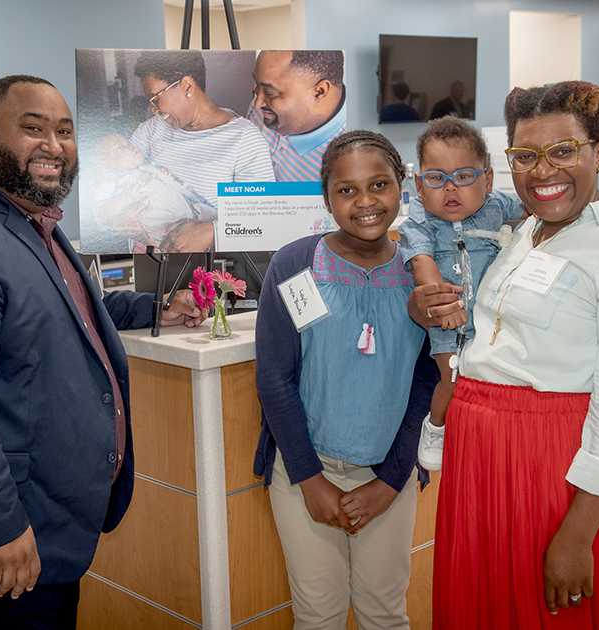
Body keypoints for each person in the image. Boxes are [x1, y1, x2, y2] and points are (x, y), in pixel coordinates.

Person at [0, 75, 206, 629]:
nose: (53, 145)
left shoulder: (28, 218)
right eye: (32, 129)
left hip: (46, 526)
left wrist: (153, 308)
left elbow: (58, 305)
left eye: (64, 131)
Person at [411, 81, 599, 628]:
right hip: (486, 469)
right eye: (525, 155)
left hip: (555, 473)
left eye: (563, 151)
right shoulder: (528, 230)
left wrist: (577, 535)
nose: (542, 171)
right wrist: (425, 310)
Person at [253, 130, 439, 629]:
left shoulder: (422, 272)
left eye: (379, 184)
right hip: (304, 474)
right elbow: (275, 378)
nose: (365, 202)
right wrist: (310, 480)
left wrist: (389, 482)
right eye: (347, 190)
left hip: (389, 474)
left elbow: (429, 381)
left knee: (385, 612)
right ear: (326, 198)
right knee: (319, 616)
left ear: (402, 185)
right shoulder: (295, 265)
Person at [398, 117, 525, 471]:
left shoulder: (496, 206)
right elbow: (422, 265)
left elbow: (533, 207)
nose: (450, 189)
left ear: (486, 180)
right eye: (437, 179)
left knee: (494, 379)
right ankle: (436, 426)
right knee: (451, 379)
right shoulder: (418, 222)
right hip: (446, 322)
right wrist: (447, 306)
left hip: (491, 320)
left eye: (464, 177)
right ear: (420, 187)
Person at [128, 50, 275, 251]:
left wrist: (213, 232)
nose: (153, 109)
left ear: (186, 85)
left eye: (155, 98)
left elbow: (262, 222)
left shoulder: (244, 139)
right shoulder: (150, 131)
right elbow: (115, 181)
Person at [91, 134, 217, 252]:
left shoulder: (147, 168)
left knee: (216, 222)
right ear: (105, 166)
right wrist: (125, 200)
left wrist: (163, 175)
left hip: (192, 213)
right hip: (161, 230)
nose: (131, 146)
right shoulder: (111, 181)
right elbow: (101, 211)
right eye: (121, 146)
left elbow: (178, 187)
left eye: (128, 142)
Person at [249, 50, 347, 181]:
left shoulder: (351, 157)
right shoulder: (265, 105)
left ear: (319, 92)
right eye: (257, 86)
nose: (257, 103)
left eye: (270, 92)